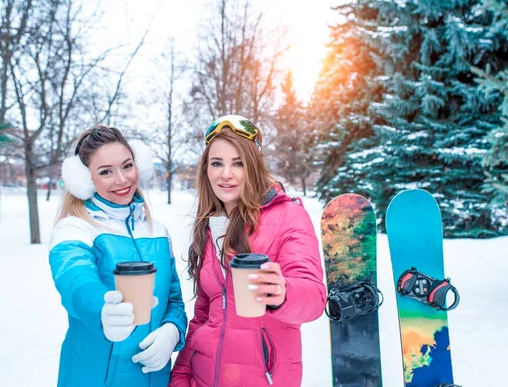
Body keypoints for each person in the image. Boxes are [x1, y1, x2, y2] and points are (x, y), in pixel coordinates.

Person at [170, 115, 326, 387]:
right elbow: (203, 317)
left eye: (238, 164)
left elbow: (313, 298)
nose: (225, 174)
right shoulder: (211, 225)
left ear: (253, 166)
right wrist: (180, 378)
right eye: (216, 163)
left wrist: (282, 293)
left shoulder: (289, 216)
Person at [48, 126, 187, 387]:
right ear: (85, 179)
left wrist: (172, 330)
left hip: (153, 379)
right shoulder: (74, 229)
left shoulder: (158, 231)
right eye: (106, 172)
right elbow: (75, 280)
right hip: (91, 378)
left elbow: (174, 300)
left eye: (127, 166)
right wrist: (102, 310)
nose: (122, 179)